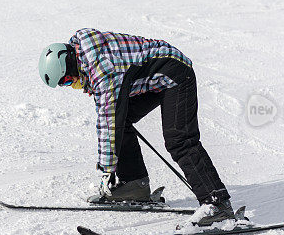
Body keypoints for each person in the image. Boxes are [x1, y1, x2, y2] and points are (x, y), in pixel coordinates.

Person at [38, 28, 234, 224]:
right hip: (156, 79)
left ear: (69, 64)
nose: (70, 85)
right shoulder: (88, 59)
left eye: (64, 80)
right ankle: (134, 185)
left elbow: (108, 118)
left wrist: (108, 169)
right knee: (120, 121)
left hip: (177, 75)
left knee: (180, 140)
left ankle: (216, 204)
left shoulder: (102, 69)